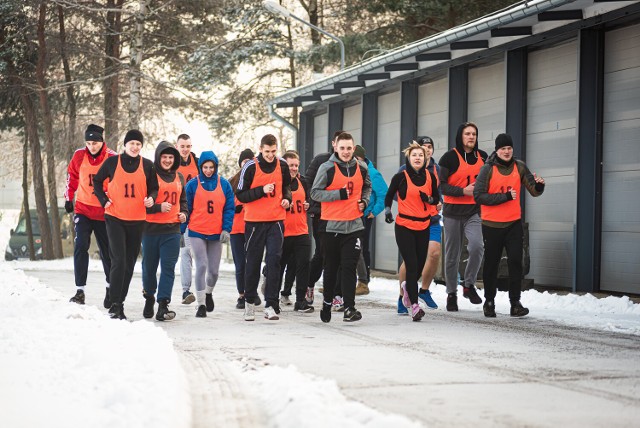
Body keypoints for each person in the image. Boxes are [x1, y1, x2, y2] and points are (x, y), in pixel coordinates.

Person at [474, 133, 545, 317]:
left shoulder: (519, 166)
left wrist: (539, 185)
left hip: (513, 224)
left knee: (515, 261)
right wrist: (504, 197)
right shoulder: (487, 169)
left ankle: (515, 303)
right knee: (491, 264)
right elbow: (478, 195)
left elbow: (534, 191)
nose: (506, 151)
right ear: (497, 150)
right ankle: (489, 301)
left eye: (509, 148)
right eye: (503, 148)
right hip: (491, 225)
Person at [93, 129, 158, 320]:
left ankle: (120, 301)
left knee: (129, 263)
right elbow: (97, 181)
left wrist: (151, 199)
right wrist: (103, 199)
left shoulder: (147, 165)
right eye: (132, 143)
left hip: (137, 220)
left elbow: (154, 187)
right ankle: (114, 304)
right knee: (119, 260)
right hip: (115, 218)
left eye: (138, 144)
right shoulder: (113, 162)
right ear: (125, 145)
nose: (135, 147)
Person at [311, 132, 371, 323]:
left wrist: (364, 201)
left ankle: (349, 308)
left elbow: (367, 187)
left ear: (354, 149)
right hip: (331, 227)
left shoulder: (361, 167)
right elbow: (314, 193)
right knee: (331, 268)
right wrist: (337, 194)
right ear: (335, 147)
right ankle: (327, 302)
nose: (346, 152)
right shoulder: (326, 168)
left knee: (349, 267)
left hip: (354, 226)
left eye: (349, 148)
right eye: (342, 148)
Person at [236, 134, 291, 321]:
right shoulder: (250, 167)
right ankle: (250, 303)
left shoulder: (282, 165)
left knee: (274, 261)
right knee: (252, 262)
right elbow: (241, 195)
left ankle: (271, 304)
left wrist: (287, 199)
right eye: (267, 152)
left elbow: (287, 188)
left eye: (274, 151)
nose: (270, 155)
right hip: (254, 222)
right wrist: (261, 191)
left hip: (276, 220)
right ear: (260, 149)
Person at [384, 142, 439, 321]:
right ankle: (415, 306)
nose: (417, 158)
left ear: (425, 159)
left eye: (420, 155)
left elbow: (436, 198)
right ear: (409, 157)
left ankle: (407, 287)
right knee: (412, 264)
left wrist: (429, 199)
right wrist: (387, 211)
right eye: (414, 155)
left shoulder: (431, 177)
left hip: (423, 226)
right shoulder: (400, 177)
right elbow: (389, 195)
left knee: (420, 264)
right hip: (404, 226)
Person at [65, 124, 116, 307]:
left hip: (104, 212)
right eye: (88, 143)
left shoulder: (112, 157)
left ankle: (110, 288)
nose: (91, 146)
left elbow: (119, 183)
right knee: (80, 245)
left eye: (95, 143)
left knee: (107, 251)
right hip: (84, 209)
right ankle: (80, 291)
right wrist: (69, 198)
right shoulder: (79, 155)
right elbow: (72, 175)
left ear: (102, 142)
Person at [438, 122, 487, 311]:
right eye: (467, 134)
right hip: (452, 212)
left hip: (473, 211)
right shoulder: (449, 157)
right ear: (461, 136)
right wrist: (462, 191)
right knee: (452, 255)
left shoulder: (483, 156)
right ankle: (451, 293)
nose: (471, 137)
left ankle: (468, 285)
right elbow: (441, 185)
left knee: (477, 246)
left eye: (474, 134)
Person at [141, 141, 188, 321]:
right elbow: (141, 204)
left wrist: (184, 213)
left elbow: (183, 200)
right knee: (149, 268)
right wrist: (158, 207)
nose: (168, 160)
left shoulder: (180, 177)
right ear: (158, 157)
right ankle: (149, 296)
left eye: (171, 157)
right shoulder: (149, 176)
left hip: (172, 230)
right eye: (164, 157)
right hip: (150, 229)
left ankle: (163, 305)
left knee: (168, 268)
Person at [184, 151, 234, 318]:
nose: (208, 170)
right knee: (202, 264)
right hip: (196, 230)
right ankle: (201, 304)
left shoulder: (224, 184)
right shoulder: (192, 185)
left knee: (213, 271)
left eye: (211, 167)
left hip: (216, 232)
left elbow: (229, 209)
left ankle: (208, 293)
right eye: (205, 167)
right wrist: (180, 230)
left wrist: (227, 229)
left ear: (216, 167)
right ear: (200, 167)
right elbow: (186, 208)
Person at [305, 130, 344, 304]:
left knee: (341, 255)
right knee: (323, 253)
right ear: (333, 144)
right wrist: (314, 207)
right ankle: (309, 283)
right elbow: (308, 184)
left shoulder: (353, 165)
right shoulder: (321, 160)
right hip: (321, 215)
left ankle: (336, 294)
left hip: (343, 216)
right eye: (339, 144)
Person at [279, 150, 314, 313]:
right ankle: (272, 298)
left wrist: (308, 205)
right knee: (279, 267)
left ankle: (300, 301)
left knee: (303, 266)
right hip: (283, 232)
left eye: (296, 165)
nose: (293, 168)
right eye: (290, 165)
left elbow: (309, 200)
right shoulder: (279, 183)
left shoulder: (303, 182)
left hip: (301, 230)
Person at [352, 144, 388, 296]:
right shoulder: (351, 171)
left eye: (356, 158)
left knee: (361, 247)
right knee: (352, 247)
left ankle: (364, 281)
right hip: (352, 214)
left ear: (361, 158)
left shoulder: (372, 173)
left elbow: (383, 194)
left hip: (365, 215)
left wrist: (374, 211)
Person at [227, 148, 257, 310]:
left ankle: (252, 292)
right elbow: (224, 202)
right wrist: (234, 208)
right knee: (240, 263)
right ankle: (241, 294)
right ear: (240, 164)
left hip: (252, 226)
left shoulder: (256, 179)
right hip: (236, 228)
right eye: (244, 162)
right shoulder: (232, 181)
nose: (246, 165)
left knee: (253, 261)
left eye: (249, 162)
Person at [176, 134, 199, 305]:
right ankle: (150, 285)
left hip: (191, 215)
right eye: (182, 146)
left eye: (188, 146)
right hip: (171, 213)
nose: (185, 149)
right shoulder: (169, 162)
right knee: (164, 253)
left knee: (186, 252)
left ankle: (186, 290)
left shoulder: (198, 163)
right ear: (176, 146)